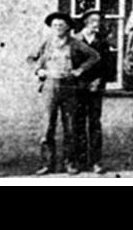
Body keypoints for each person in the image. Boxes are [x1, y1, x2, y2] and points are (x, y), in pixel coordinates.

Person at [28, 11, 100, 175]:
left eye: (61, 25)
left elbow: (94, 56)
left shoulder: (75, 44)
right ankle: (47, 164)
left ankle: (70, 163)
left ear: (67, 27)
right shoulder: (46, 43)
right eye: (54, 25)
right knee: (47, 127)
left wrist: (79, 70)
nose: (58, 28)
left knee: (70, 127)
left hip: (69, 87)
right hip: (50, 86)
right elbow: (31, 58)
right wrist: (38, 70)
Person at [73, 10, 114, 175]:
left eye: (99, 22)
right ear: (86, 22)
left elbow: (109, 66)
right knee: (77, 123)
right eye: (93, 21)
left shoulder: (103, 42)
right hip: (77, 88)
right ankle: (79, 161)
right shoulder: (74, 40)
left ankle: (96, 161)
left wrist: (99, 81)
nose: (96, 24)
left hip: (96, 88)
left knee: (95, 124)